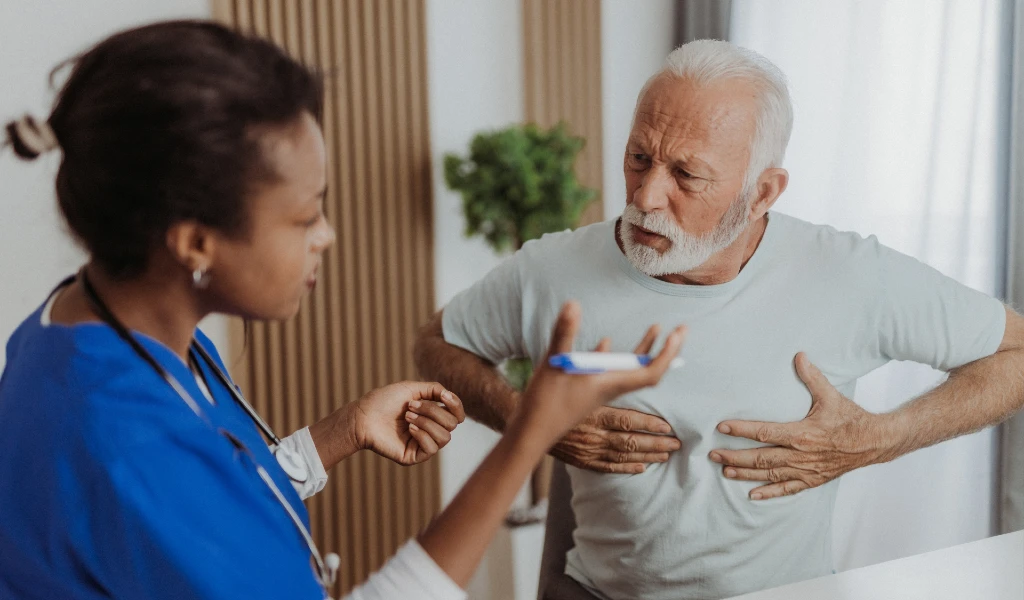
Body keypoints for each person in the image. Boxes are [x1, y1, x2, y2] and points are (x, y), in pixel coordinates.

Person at [0, 20, 686, 600]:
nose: (326, 236)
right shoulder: (127, 439)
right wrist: (528, 435)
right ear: (195, 242)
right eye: (305, 217)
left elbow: (207, 508)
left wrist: (340, 432)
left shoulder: (88, 321)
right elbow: (173, 490)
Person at [414, 39, 1024, 600]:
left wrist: (878, 439)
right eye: (638, 158)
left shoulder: (851, 274)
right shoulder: (553, 269)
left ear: (762, 193)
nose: (646, 196)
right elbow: (439, 342)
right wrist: (530, 421)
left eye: (686, 175)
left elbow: (1015, 355)